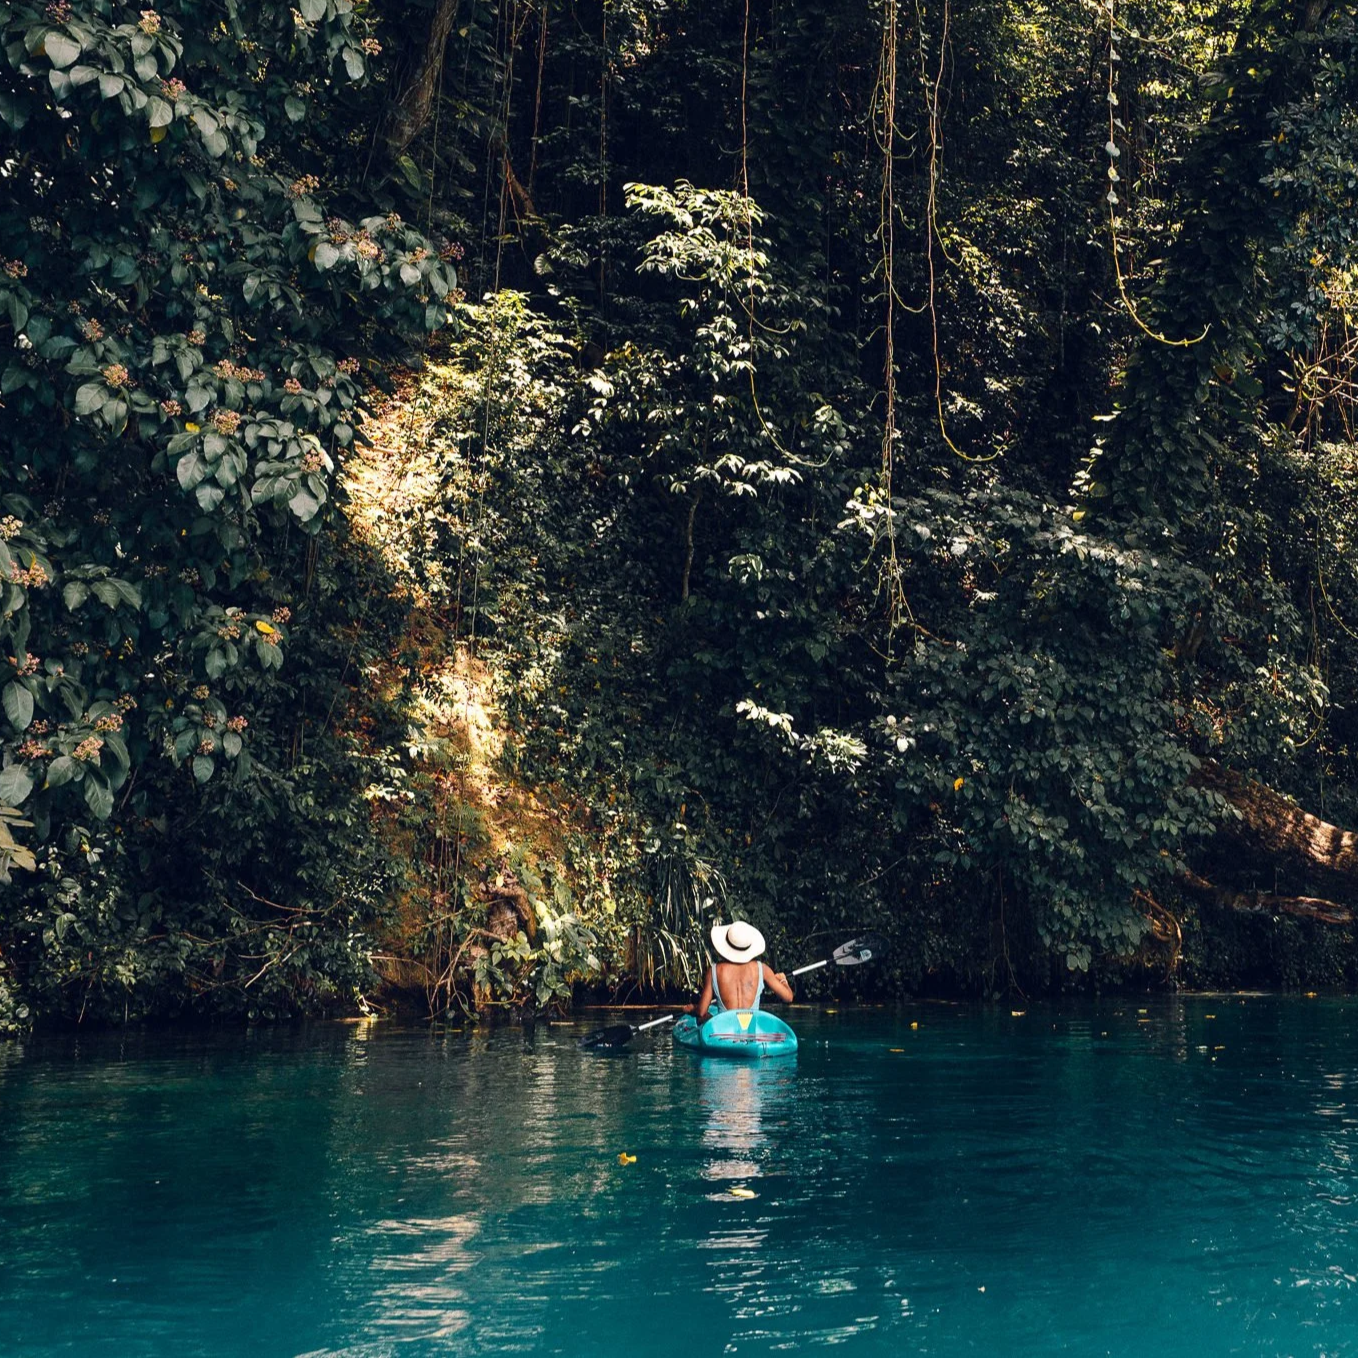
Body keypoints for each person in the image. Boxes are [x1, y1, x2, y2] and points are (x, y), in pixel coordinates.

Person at [687, 921, 793, 1022]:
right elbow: (788, 997)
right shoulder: (762, 969)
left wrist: (692, 1009)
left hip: (724, 1033)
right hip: (750, 1034)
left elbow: (701, 1012)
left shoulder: (714, 971)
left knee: (703, 1018)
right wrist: (783, 980)